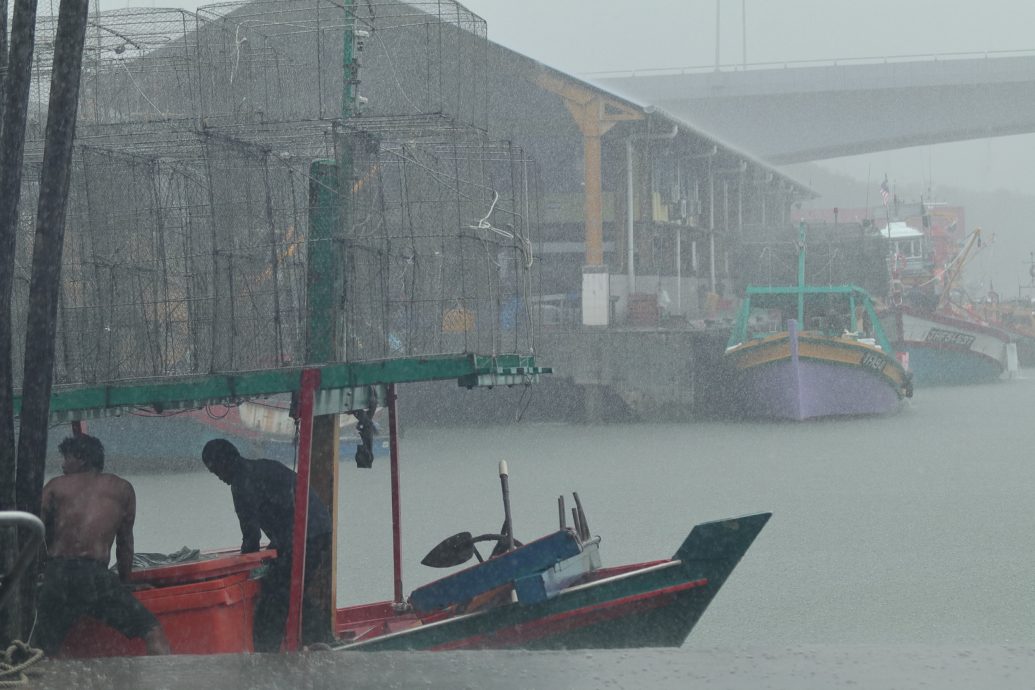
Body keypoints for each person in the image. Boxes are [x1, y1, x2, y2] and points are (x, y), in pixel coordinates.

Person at [34, 434, 170, 656]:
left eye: (67, 458)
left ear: (81, 458)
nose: (63, 465)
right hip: (96, 578)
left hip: (58, 576)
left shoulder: (55, 486)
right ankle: (167, 675)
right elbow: (125, 543)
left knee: (41, 652)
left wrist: (41, 571)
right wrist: (124, 583)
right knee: (152, 631)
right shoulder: (122, 488)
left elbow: (34, 533)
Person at [201, 439, 333, 652]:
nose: (218, 477)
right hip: (319, 528)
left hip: (306, 534)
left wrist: (243, 570)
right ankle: (320, 638)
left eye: (215, 470)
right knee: (289, 590)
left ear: (224, 462)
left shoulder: (241, 482)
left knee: (277, 594)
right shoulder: (262, 467)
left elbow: (251, 537)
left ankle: (269, 652)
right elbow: (284, 507)